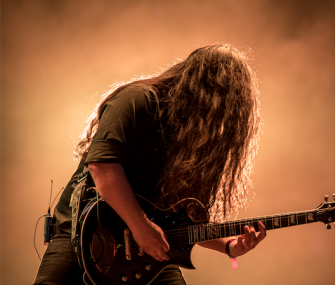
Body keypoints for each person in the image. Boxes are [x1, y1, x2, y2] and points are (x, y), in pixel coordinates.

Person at [34, 45, 266, 285]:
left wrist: (229, 246)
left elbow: (180, 221)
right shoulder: (138, 100)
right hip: (87, 234)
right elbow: (102, 165)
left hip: (144, 254)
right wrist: (141, 226)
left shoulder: (192, 139)